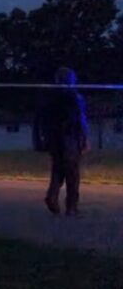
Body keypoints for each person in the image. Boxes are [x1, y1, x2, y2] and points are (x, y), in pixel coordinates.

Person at [33, 67, 89, 216]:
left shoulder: (48, 98)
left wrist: (41, 138)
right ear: (70, 80)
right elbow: (80, 118)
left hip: (53, 138)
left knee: (58, 168)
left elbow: (40, 118)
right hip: (70, 137)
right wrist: (84, 137)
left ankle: (52, 196)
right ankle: (71, 207)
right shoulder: (74, 97)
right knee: (72, 173)